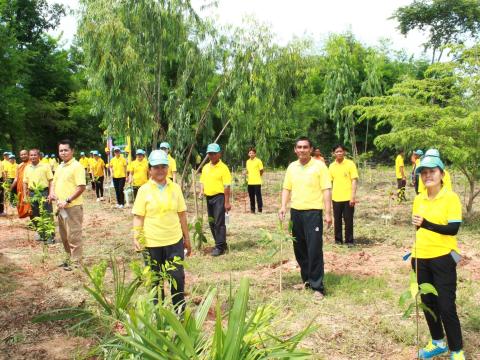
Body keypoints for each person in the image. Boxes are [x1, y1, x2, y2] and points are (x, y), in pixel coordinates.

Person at [411, 152, 465, 360]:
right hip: (421, 257)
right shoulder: (418, 198)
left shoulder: (450, 197)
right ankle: (437, 342)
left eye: (432, 171)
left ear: (442, 173)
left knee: (446, 305)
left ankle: (457, 349)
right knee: (428, 302)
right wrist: (414, 256)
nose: (427, 176)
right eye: (423, 173)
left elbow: (453, 229)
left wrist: (426, 224)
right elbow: (418, 229)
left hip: (443, 258)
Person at [132, 150, 192, 312]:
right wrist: (137, 238)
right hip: (152, 244)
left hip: (174, 242)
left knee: (177, 278)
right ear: (149, 169)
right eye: (156, 167)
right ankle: (158, 314)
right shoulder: (144, 190)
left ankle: (179, 312)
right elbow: (138, 217)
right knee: (155, 281)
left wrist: (187, 238)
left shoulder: (175, 188)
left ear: (167, 168)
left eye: (163, 167)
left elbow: (182, 215)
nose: (160, 171)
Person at [279, 137, 332, 299]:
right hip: (296, 213)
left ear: (310, 149)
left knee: (314, 249)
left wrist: (328, 213)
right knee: (300, 249)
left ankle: (318, 287)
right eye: (299, 147)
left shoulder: (319, 166)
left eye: (305, 147)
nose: (302, 150)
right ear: (295, 150)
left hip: (313, 213)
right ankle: (307, 280)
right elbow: (286, 188)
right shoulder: (292, 167)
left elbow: (326, 190)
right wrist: (283, 206)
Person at [51, 139, 86, 271]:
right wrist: (52, 193)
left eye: (66, 150)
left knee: (74, 235)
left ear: (72, 151)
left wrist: (67, 200)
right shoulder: (60, 167)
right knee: (64, 235)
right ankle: (68, 259)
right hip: (60, 208)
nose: (63, 153)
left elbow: (81, 187)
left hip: (72, 207)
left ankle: (76, 263)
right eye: (61, 150)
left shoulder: (77, 166)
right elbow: (53, 183)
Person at [199, 143, 232, 257]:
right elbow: (202, 181)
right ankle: (221, 244)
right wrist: (202, 191)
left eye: (214, 154)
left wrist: (227, 202)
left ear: (219, 154)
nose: (211, 156)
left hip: (219, 197)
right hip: (209, 198)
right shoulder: (205, 168)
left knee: (219, 222)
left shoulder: (224, 168)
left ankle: (219, 247)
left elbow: (227, 186)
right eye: (209, 154)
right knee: (212, 222)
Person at [328, 144, 359, 246]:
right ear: (334, 154)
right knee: (337, 220)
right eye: (337, 152)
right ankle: (338, 240)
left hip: (348, 198)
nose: (339, 153)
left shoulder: (350, 164)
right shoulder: (332, 166)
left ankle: (349, 241)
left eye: (341, 151)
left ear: (344, 152)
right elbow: (329, 182)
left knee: (348, 220)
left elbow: (354, 180)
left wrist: (353, 196)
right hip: (336, 198)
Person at [23, 149, 54, 243]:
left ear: (39, 156)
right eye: (31, 155)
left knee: (47, 213)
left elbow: (51, 181)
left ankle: (50, 236)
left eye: (35, 155)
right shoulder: (27, 168)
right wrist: (25, 195)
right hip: (32, 193)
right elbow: (25, 183)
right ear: (29, 156)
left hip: (44, 192)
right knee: (35, 215)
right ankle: (42, 234)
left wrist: (50, 193)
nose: (33, 157)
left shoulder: (45, 166)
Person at [10, 149, 31, 218]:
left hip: (29, 188)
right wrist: (11, 187)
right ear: (20, 156)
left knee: (31, 205)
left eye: (25, 154)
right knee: (23, 204)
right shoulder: (19, 166)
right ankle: (32, 221)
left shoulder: (31, 164)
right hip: (20, 188)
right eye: (21, 155)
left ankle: (34, 221)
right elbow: (16, 179)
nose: (23, 156)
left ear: (28, 154)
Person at [245, 147, 264, 213]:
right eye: (250, 153)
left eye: (253, 153)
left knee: (258, 196)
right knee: (251, 197)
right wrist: (245, 173)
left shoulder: (258, 161)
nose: (251, 154)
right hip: (250, 182)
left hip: (257, 182)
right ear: (248, 154)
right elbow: (247, 171)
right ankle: (252, 210)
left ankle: (260, 209)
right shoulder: (247, 162)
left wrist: (258, 176)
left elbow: (261, 170)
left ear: (255, 154)